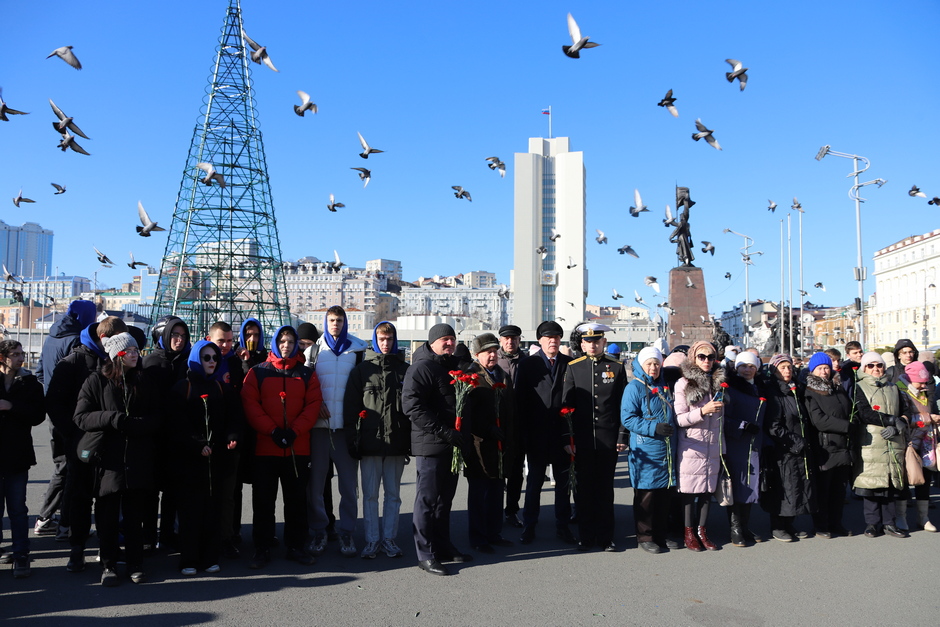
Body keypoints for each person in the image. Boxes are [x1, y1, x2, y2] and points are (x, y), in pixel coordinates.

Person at [74, 333, 162, 586]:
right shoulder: (96, 381)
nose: (135, 354)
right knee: (107, 515)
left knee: (135, 516)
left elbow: (158, 417)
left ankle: (136, 564)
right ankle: (108, 565)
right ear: (116, 355)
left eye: (137, 350)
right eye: (130, 351)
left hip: (138, 458)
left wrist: (138, 425)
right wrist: (111, 419)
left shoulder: (144, 381)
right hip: (108, 460)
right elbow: (81, 417)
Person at [45, 316, 128, 573]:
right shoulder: (73, 362)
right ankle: (77, 548)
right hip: (81, 444)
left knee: (108, 501)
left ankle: (107, 552)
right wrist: (73, 434)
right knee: (80, 499)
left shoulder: (114, 362)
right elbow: (55, 405)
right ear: (105, 339)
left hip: (110, 445)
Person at [242, 326, 322, 568]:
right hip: (266, 447)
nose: (286, 345)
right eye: (282, 341)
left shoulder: (307, 374)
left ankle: (296, 546)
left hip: (297, 448)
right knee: (263, 501)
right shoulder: (257, 373)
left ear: (296, 343)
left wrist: (294, 431)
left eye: (290, 341)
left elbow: (313, 405)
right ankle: (262, 547)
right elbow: (251, 405)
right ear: (275, 343)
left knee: (296, 500)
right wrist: (273, 431)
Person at [402, 323, 471, 576]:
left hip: (451, 445)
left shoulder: (450, 367)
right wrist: (443, 431)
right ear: (432, 342)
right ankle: (425, 553)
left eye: (452, 339)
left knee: (445, 500)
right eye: (444, 339)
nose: (449, 344)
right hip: (431, 445)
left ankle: (443, 545)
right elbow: (412, 407)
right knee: (427, 501)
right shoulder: (421, 367)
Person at [170, 340, 243, 576]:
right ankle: (188, 558)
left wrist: (232, 435)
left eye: (214, 358)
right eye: (206, 358)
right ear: (195, 360)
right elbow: (177, 423)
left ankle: (211, 556)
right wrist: (196, 444)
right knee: (190, 511)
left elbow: (234, 417)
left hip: (216, 460)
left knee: (213, 509)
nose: (212, 362)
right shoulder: (183, 387)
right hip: (190, 461)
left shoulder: (222, 388)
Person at [343, 321, 410, 559]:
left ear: (394, 340)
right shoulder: (361, 371)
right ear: (374, 340)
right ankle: (372, 540)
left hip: (397, 443)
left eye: (389, 339)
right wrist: (353, 439)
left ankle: (389, 539)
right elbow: (350, 408)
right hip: (369, 442)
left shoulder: (404, 370)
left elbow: (412, 409)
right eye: (381, 339)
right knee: (370, 495)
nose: (385, 343)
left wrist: (409, 442)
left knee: (393, 494)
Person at [33, 299, 96, 540]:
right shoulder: (77, 340)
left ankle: (46, 518)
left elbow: (40, 373)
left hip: (54, 413)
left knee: (63, 466)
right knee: (72, 469)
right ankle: (61, 523)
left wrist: (51, 397)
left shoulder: (51, 337)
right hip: (73, 415)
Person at [560, 323, 627, 551]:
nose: (592, 345)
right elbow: (566, 406)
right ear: (581, 344)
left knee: (605, 491)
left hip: (608, 440)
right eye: (588, 341)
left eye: (596, 341)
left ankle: (606, 538)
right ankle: (586, 537)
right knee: (584, 491)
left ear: (603, 343)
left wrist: (622, 436)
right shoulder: (574, 367)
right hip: (582, 441)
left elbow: (621, 406)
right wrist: (568, 439)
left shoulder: (616, 367)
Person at [308, 306, 368, 558]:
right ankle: (320, 529)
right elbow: (306, 384)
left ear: (345, 323)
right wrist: (316, 404)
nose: (335, 324)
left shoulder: (357, 349)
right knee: (316, 485)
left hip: (345, 429)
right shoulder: (313, 350)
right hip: (319, 429)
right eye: (331, 320)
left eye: (339, 320)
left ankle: (347, 531)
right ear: (325, 321)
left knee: (348, 485)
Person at [516, 321, 574, 545]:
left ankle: (563, 525)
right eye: (549, 337)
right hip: (537, 434)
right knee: (534, 482)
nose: (553, 341)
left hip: (561, 434)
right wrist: (524, 435)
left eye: (557, 337)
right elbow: (521, 401)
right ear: (539, 340)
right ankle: (529, 524)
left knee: (563, 483)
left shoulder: (569, 363)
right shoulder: (528, 364)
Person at [621, 346, 678, 554]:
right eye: (649, 364)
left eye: (656, 363)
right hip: (646, 449)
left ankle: (661, 534)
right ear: (641, 365)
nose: (653, 367)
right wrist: (653, 427)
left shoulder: (665, 385)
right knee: (646, 495)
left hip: (667, 448)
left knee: (664, 495)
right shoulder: (634, 388)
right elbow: (627, 418)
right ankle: (645, 536)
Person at [142, 315, 192, 552]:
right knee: (150, 492)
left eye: (182, 336)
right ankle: (149, 536)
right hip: (153, 437)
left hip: (178, 437)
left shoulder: (189, 362)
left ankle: (169, 535)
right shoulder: (151, 363)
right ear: (163, 336)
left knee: (173, 491)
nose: (179, 340)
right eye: (174, 335)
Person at [462, 333, 515, 554]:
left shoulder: (501, 373)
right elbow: (466, 414)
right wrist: (486, 428)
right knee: (479, 493)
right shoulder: (470, 375)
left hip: (499, 444)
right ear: (477, 354)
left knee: (496, 490)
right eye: (487, 352)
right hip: (479, 445)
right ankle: (478, 537)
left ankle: (494, 532)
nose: (492, 355)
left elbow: (509, 405)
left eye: (495, 351)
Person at [674, 341, 725, 552]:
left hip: (712, 446)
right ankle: (688, 533)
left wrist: (723, 449)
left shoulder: (719, 382)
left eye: (710, 357)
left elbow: (723, 421)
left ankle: (703, 531)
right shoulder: (683, 383)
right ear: (693, 358)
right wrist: (703, 411)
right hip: (692, 446)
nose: (706, 361)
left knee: (706, 492)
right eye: (702, 357)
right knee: (688, 492)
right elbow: (679, 419)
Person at [0, 340, 46, 578]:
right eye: (14, 354)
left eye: (21, 353)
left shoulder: (29, 383)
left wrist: (11, 406)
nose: (20, 358)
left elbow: (38, 415)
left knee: (17, 509)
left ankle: (21, 555)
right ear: (2, 358)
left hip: (17, 456)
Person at [852, 352, 908, 538]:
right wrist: (891, 420)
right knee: (871, 485)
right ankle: (871, 523)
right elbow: (864, 413)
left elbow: (905, 411)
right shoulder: (859, 387)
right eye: (871, 365)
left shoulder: (894, 387)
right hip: (871, 442)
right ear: (864, 368)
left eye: (879, 365)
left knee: (890, 484)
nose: (876, 369)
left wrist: (899, 423)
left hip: (893, 442)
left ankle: (889, 523)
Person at [761, 354, 816, 542]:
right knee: (783, 487)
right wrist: (795, 441)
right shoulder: (773, 391)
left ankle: (789, 523)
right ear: (774, 370)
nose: (787, 371)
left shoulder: (796, 389)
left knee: (797, 485)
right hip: (782, 448)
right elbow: (773, 425)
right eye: (782, 367)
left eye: (789, 367)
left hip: (798, 447)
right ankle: (777, 526)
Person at [803, 352, 854, 538]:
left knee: (839, 491)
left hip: (843, 446)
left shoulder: (837, 387)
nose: (824, 371)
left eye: (826, 368)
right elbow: (819, 420)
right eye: (820, 368)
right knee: (823, 490)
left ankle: (836, 523)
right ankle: (821, 526)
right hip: (825, 447)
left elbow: (847, 409)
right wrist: (847, 426)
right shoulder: (810, 391)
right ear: (813, 371)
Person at [723, 351, 771, 547]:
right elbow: (723, 418)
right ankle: (735, 528)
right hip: (737, 443)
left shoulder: (760, 389)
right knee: (737, 485)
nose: (747, 370)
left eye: (751, 366)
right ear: (736, 368)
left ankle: (744, 525)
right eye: (743, 366)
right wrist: (741, 426)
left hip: (755, 444)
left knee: (750, 485)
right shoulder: (730, 389)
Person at [207, 321, 244, 558]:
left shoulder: (235, 363)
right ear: (210, 339)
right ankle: (205, 537)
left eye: (230, 341)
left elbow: (240, 404)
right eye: (221, 341)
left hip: (228, 439)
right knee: (206, 493)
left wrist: (234, 433)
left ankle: (228, 537)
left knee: (229, 493)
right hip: (205, 441)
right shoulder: (200, 362)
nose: (226, 345)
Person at [897, 361, 939, 532]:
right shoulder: (900, 391)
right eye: (921, 382)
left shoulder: (924, 392)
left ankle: (923, 517)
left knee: (925, 479)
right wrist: (929, 418)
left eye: (926, 382)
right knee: (905, 479)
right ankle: (901, 517)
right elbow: (903, 419)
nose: (924, 385)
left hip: (926, 442)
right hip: (908, 443)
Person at [496, 324, 525, 528]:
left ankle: (512, 510)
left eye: (514, 338)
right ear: (500, 340)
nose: (510, 341)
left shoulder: (528, 362)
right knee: (497, 471)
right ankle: (495, 510)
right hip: (498, 425)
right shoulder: (493, 360)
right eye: (506, 338)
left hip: (519, 427)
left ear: (519, 340)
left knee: (516, 472)